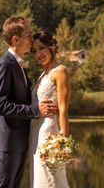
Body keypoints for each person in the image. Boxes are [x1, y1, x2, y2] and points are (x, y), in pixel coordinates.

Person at [0, 16, 59, 188]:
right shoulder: (4, 65)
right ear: (15, 39)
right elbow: (0, 106)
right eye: (28, 35)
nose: (31, 39)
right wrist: (35, 110)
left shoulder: (18, 66)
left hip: (18, 143)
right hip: (7, 142)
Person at [29, 31, 71, 188]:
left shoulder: (60, 71)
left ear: (52, 47)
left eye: (41, 48)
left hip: (49, 134)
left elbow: (63, 109)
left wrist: (63, 141)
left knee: (51, 179)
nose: (38, 54)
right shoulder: (42, 75)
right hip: (35, 133)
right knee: (39, 179)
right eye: (34, 51)